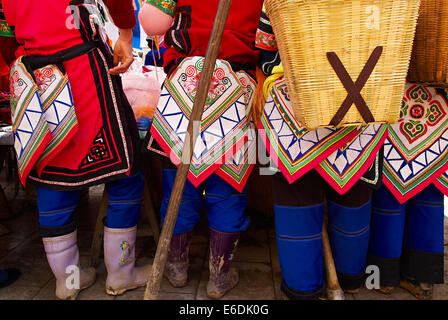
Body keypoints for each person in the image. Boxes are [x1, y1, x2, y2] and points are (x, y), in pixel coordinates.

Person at [1, 0, 150, 299]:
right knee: (125, 174)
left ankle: (67, 282)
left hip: (37, 80)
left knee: (53, 177)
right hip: (84, 72)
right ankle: (121, 273)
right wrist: (124, 32)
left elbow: (5, 39)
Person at [256, 9, 387, 299]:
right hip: (365, 98)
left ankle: (303, 286)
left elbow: (266, 49)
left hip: (297, 101)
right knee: (354, 192)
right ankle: (350, 277)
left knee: (296, 197)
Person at [139, 0, 263, 299]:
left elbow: (152, 22)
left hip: (184, 85)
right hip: (237, 87)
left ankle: (177, 267)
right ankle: (219, 276)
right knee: (227, 189)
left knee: (179, 186)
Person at [368, 83, 447, 299]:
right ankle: (423, 276)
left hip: (392, 99)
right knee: (427, 193)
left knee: (388, 197)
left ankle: (383, 278)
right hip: (434, 106)